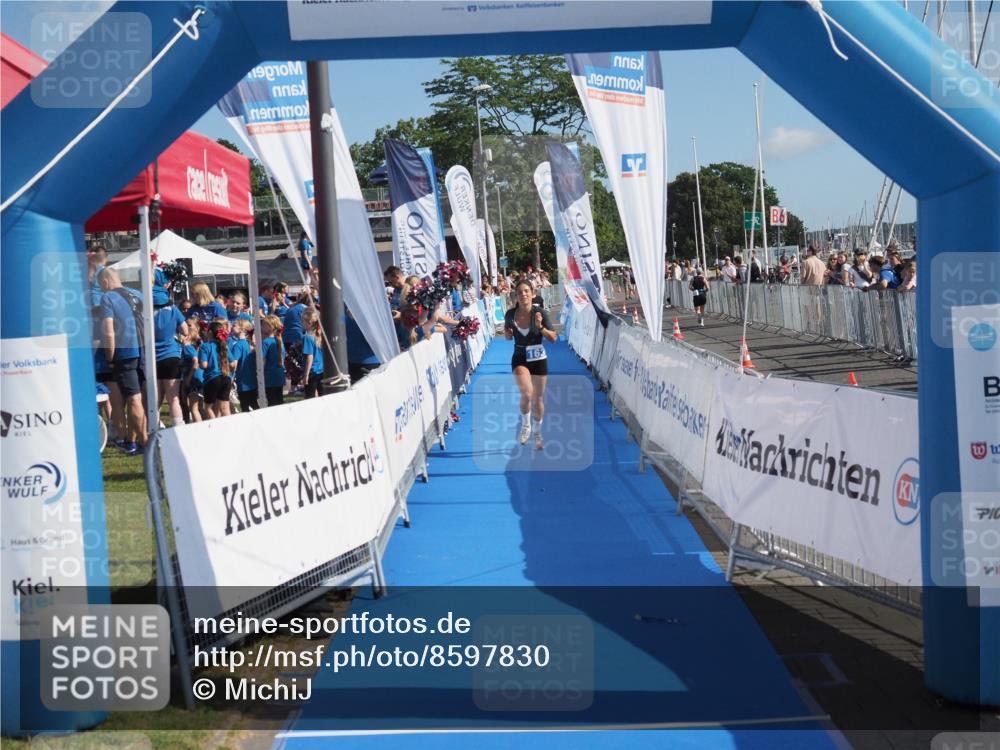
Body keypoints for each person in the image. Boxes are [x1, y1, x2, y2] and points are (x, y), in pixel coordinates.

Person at [504, 279, 557, 449]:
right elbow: (508, 337)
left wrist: (541, 327)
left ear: (532, 292)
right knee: (527, 393)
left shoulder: (539, 312)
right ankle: (526, 426)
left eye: (526, 291)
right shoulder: (510, 314)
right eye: (520, 292)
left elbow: (554, 338)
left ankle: (537, 431)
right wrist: (507, 333)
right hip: (520, 357)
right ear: (516, 295)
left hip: (539, 358)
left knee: (538, 398)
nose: (523, 294)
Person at [98, 268, 146, 455]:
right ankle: (132, 441)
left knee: (133, 399)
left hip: (125, 352)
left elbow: (108, 331)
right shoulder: (138, 294)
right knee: (140, 398)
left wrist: (110, 357)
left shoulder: (108, 298)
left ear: (106, 281)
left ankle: (144, 442)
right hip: (144, 350)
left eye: (101, 284)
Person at [153, 292, 188, 427]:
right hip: (171, 355)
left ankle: (154, 427)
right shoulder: (173, 309)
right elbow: (185, 330)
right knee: (173, 398)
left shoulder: (146, 310)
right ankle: (178, 426)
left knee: (156, 398)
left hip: (153, 357)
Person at [199, 320, 231, 419]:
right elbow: (233, 363)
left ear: (209, 333)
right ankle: (230, 427)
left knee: (208, 408)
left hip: (212, 379)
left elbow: (204, 365)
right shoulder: (224, 346)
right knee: (225, 408)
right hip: (226, 378)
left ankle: (215, 429)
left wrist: (198, 363)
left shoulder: (205, 346)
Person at [230, 320, 258, 412]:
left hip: (243, 381)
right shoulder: (249, 343)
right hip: (252, 379)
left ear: (241, 329)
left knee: (245, 406)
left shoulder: (238, 345)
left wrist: (231, 378)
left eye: (234, 325)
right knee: (254, 403)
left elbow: (234, 364)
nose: (231, 327)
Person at [260, 315, 286, 406]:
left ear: (270, 327)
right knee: (279, 400)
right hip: (279, 375)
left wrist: (259, 374)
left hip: (269, 376)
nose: (261, 327)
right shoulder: (279, 341)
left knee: (272, 401)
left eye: (263, 325)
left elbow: (262, 360)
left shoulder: (265, 342)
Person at [300, 308, 325, 398]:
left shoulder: (307, 337)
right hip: (322, 370)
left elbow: (309, 357)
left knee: (309, 396)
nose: (301, 324)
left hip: (312, 371)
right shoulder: (320, 335)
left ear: (309, 323)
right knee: (323, 395)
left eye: (303, 322)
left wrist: (306, 375)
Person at [181, 327, 205, 423]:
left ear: (187, 337)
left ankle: (199, 429)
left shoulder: (187, 347)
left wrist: (188, 378)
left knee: (193, 408)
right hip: (200, 378)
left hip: (194, 380)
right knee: (200, 407)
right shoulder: (194, 347)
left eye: (182, 334)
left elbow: (195, 362)